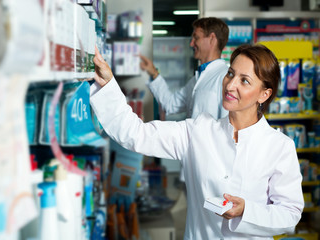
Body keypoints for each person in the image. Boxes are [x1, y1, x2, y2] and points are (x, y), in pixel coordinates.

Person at [89, 44, 304, 239]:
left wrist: (246, 211)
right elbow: (136, 134)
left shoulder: (279, 147)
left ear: (264, 94)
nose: (230, 85)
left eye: (244, 80)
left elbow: (289, 213)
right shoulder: (198, 131)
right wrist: (108, 85)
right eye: (230, 74)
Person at [140, 17, 229, 120]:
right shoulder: (197, 79)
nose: (191, 43)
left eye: (196, 38)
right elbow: (170, 104)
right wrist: (153, 72)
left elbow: (228, 125)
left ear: (212, 39)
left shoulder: (224, 78)